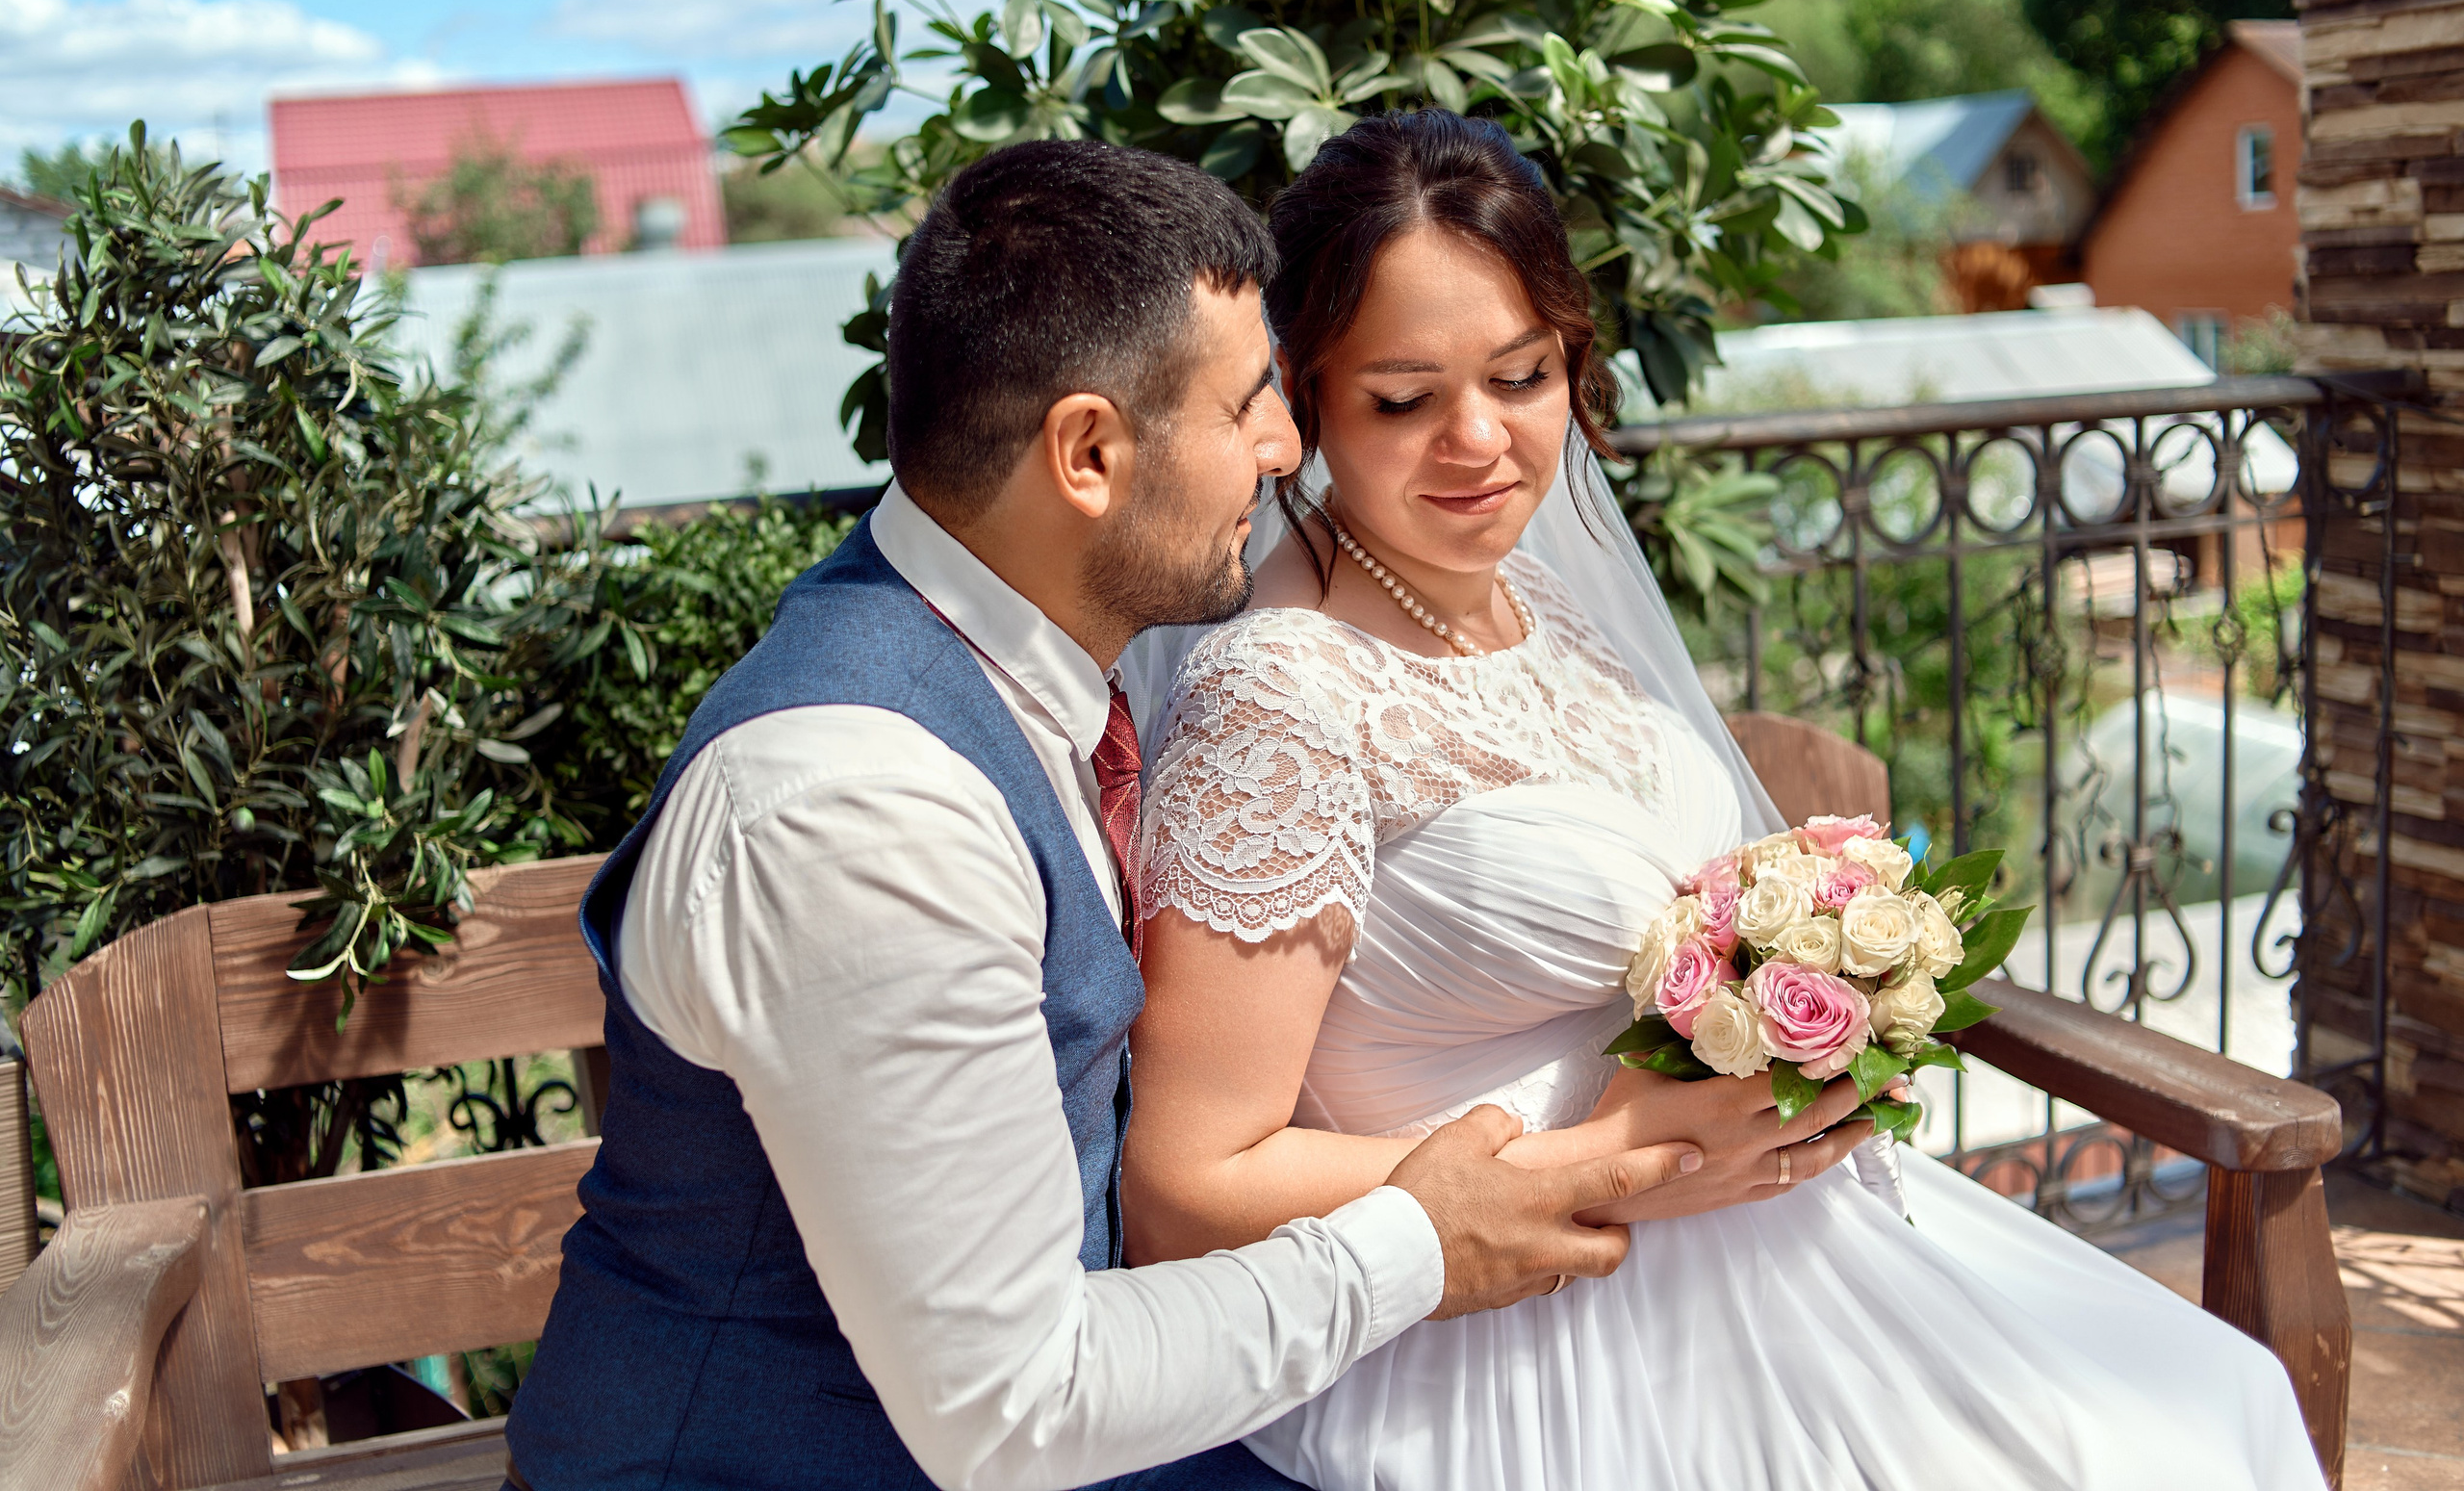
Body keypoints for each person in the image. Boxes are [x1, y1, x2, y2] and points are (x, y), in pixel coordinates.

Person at [1122, 109, 2328, 1490]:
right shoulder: (1277, 698)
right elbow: (1183, 1192)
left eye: (1522, 376)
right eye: (1403, 398)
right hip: (1526, 1336)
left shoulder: (1550, 607)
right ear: (1306, 396)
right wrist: (1609, 1157)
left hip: (1778, 1255)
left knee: (2201, 1403)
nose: (1482, 441)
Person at [502, 137, 1716, 1491]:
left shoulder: (1025, 678)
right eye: (1249, 400)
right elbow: (1013, 1409)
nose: (1285, 443)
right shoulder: (855, 810)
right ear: (1088, 451)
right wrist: (1422, 1241)